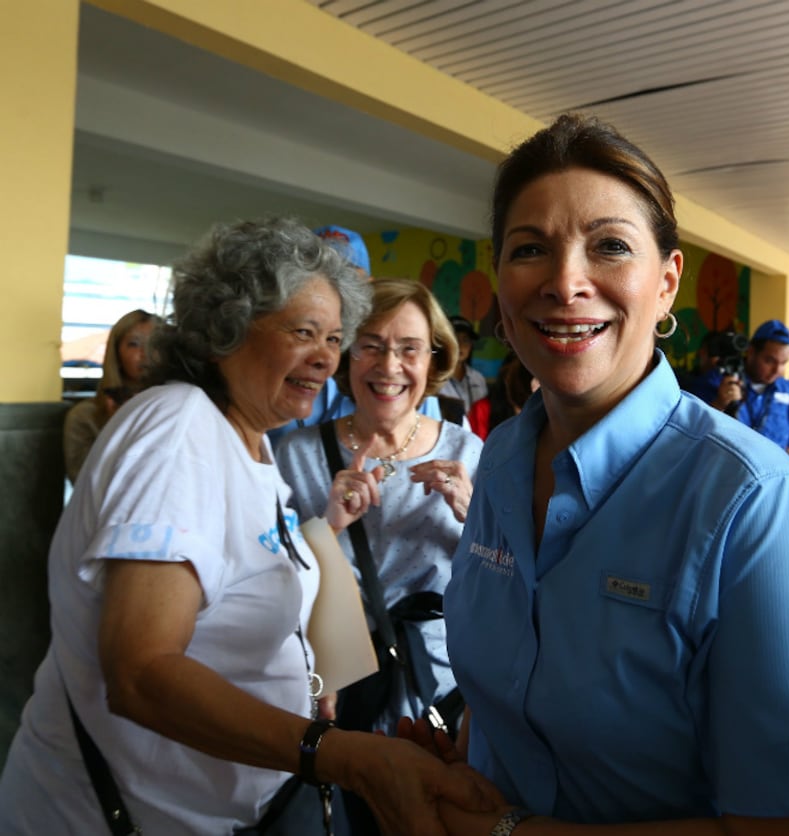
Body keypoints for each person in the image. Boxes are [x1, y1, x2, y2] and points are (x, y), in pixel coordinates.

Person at [437, 112, 789, 835]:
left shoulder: (747, 498)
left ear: (667, 283)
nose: (565, 282)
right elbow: (507, 692)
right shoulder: (500, 459)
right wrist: (458, 770)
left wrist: (505, 833)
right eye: (530, 250)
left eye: (610, 247)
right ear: (500, 283)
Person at [0, 217, 493, 835]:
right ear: (227, 328)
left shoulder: (251, 445)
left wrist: (310, 676)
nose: (326, 357)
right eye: (303, 331)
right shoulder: (179, 431)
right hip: (126, 814)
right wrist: (341, 754)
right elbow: (141, 674)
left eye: (333, 337)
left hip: (236, 805)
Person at [275, 278, 484, 833]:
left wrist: (476, 522)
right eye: (370, 345)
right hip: (335, 685)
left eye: (409, 348)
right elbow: (267, 584)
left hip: (445, 687)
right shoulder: (296, 455)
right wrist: (328, 524)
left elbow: (507, 582)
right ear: (346, 354)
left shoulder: (468, 453)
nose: (389, 366)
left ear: (433, 358)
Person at [267, 224, 371, 446]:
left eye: (350, 281)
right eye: (304, 333)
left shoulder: (391, 375)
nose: (337, 292)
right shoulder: (270, 363)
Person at [62, 308, 160, 482]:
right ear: (116, 352)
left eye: (155, 344)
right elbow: (83, 482)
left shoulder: (176, 409)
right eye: (134, 344)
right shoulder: (84, 417)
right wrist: (116, 428)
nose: (145, 354)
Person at [698, 319, 789, 468]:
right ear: (751, 352)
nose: (777, 370)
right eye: (769, 361)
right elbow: (693, 433)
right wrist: (719, 404)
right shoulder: (717, 381)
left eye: (783, 363)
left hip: (772, 475)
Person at [442, 314, 490, 437]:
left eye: (466, 340)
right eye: (455, 339)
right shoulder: (435, 379)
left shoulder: (478, 378)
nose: (460, 345)